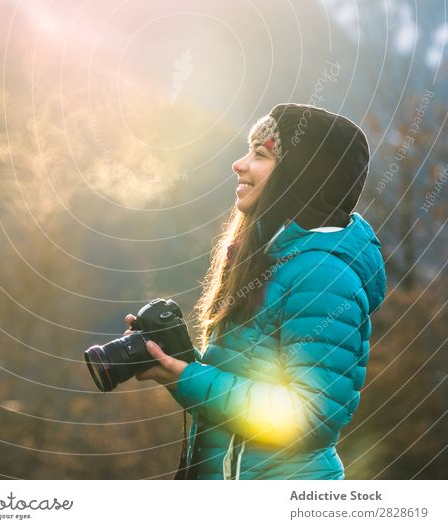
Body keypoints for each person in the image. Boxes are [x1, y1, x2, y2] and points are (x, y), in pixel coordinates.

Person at [125, 103, 387, 480]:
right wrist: (174, 362)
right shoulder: (268, 258)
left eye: (259, 154)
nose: (239, 163)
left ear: (302, 175)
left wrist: (188, 377)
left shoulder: (323, 275)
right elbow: (241, 397)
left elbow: (307, 418)